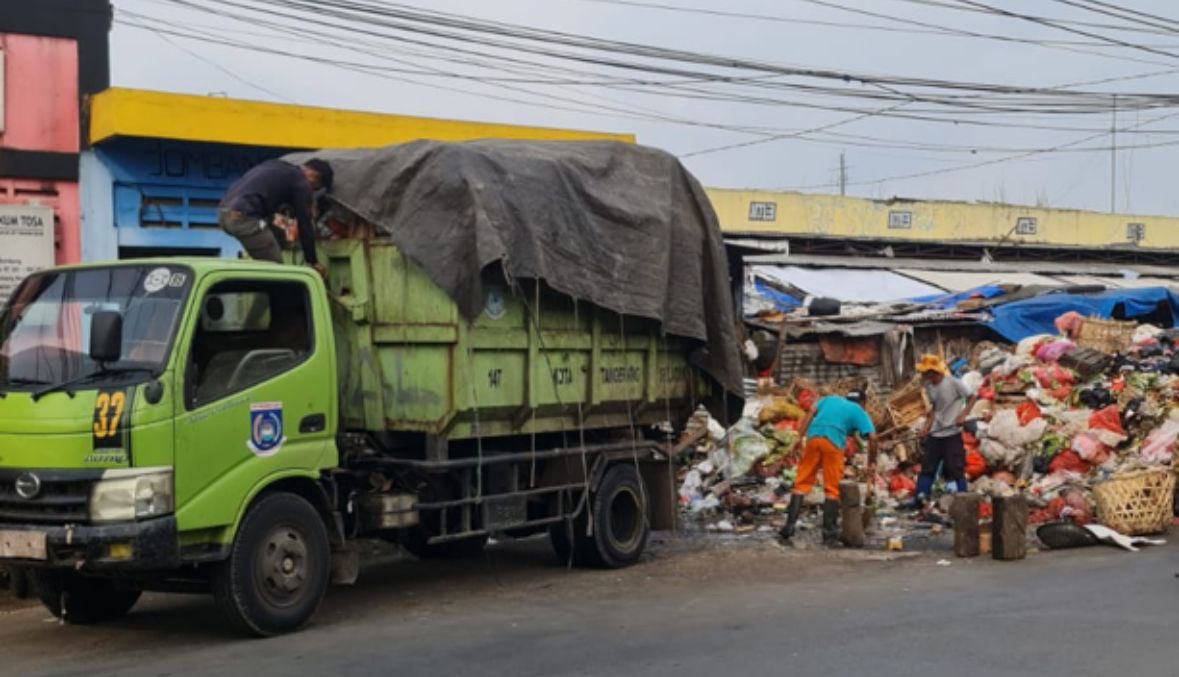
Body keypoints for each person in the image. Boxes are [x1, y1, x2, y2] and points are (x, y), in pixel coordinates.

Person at [780, 390, 878, 545]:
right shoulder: (858, 410)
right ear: (863, 403)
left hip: (813, 438)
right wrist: (872, 462)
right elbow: (872, 437)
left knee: (801, 482)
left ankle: (789, 526)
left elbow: (811, 412)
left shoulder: (830, 399)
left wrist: (799, 437)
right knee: (832, 487)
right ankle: (829, 532)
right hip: (832, 443)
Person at [218, 158, 333, 276]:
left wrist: (283, 240)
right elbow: (304, 224)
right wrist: (312, 261)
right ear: (314, 176)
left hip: (224, 214)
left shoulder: (278, 166)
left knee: (263, 267)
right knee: (276, 270)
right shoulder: (301, 182)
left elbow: (270, 214)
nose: (312, 192)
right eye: (315, 188)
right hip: (244, 217)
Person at [913, 354, 979, 507]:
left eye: (925, 373)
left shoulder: (953, 383)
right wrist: (925, 428)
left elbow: (972, 397)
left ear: (933, 372)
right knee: (928, 467)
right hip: (935, 433)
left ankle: (964, 502)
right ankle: (920, 499)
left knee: (956, 468)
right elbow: (934, 409)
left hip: (951, 433)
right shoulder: (929, 386)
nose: (923, 376)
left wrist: (963, 414)